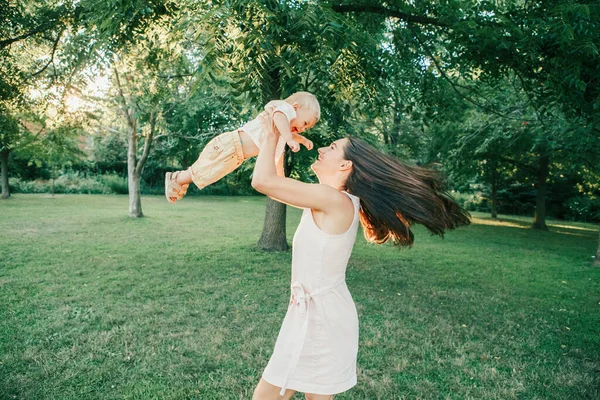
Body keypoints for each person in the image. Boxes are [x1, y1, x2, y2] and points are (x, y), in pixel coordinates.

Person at [249, 114, 471, 400]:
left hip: (319, 319)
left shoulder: (334, 200)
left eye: (331, 147)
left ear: (345, 165)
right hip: (318, 314)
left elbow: (262, 181)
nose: (321, 149)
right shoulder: (329, 199)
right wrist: (280, 138)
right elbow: (275, 184)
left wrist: (270, 133)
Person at [164, 92, 320, 203]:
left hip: (236, 154)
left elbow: (287, 134)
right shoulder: (283, 110)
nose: (302, 129)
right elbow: (280, 118)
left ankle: (181, 179)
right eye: (305, 123)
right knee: (205, 170)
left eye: (306, 129)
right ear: (296, 107)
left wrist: (301, 139)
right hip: (231, 144)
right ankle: (177, 178)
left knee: (208, 173)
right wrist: (290, 139)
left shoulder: (280, 132)